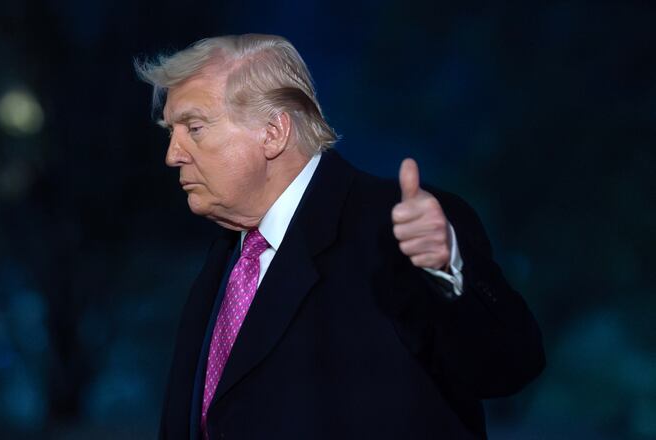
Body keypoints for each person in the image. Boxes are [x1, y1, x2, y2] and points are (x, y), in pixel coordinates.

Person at [136, 34, 544, 440]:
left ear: (274, 132)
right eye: (171, 131)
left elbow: (508, 365)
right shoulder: (224, 259)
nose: (173, 154)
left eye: (194, 127)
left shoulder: (398, 228)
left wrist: (447, 271)